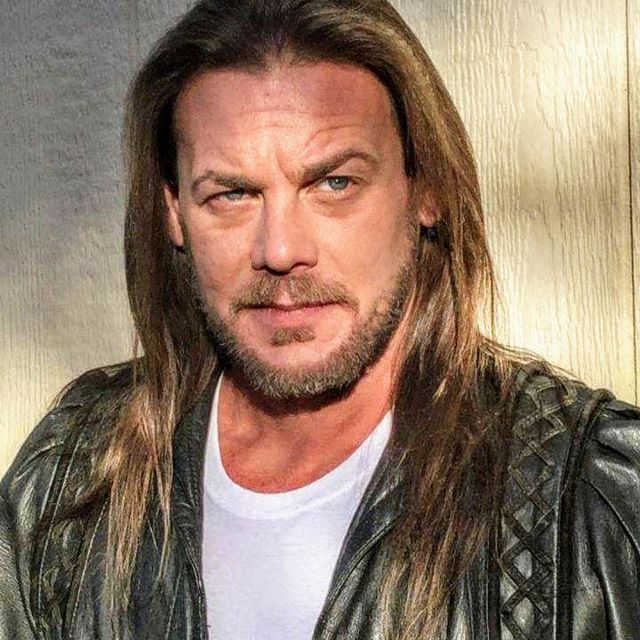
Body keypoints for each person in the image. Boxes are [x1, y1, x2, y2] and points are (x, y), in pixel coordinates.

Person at [1, 1, 639, 638]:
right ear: (174, 213)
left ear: (428, 189)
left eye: (334, 183)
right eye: (232, 194)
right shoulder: (71, 478)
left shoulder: (593, 498)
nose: (280, 250)